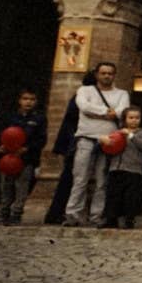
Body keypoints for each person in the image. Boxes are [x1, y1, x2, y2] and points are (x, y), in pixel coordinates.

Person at [64, 62, 130, 227]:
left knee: (102, 181)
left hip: (109, 141)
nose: (107, 76)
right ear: (97, 75)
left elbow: (123, 111)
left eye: (110, 73)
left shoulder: (122, 93)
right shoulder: (85, 90)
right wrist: (106, 112)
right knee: (80, 178)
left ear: (114, 75)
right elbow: (84, 107)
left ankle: (96, 216)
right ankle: (73, 215)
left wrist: (100, 112)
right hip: (86, 138)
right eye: (103, 73)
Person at [45, 72, 95, 225]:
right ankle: (58, 213)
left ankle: (60, 213)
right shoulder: (83, 97)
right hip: (75, 144)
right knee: (70, 179)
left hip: (73, 143)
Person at [0, 89, 47, 226]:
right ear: (19, 100)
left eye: (32, 99)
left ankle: (16, 214)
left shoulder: (39, 119)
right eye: (25, 99)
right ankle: (3, 213)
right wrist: (1, 146)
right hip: (7, 157)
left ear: (36, 102)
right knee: (6, 185)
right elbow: (1, 133)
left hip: (26, 158)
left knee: (21, 187)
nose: (28, 102)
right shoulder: (10, 117)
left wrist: (26, 149)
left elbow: (41, 140)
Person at [102, 106, 142, 229]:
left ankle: (129, 220)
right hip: (116, 168)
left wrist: (131, 136)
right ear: (125, 119)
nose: (134, 120)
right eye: (131, 118)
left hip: (133, 169)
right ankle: (111, 219)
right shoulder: (118, 132)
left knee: (130, 196)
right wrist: (104, 141)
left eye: (137, 118)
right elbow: (110, 147)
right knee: (114, 195)